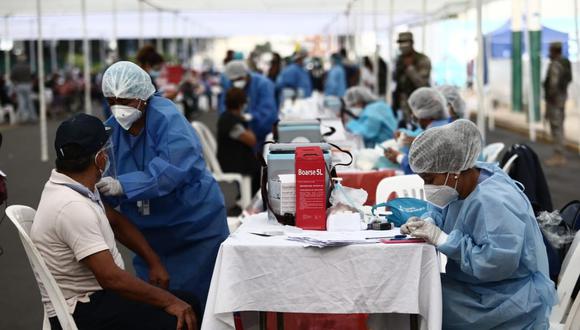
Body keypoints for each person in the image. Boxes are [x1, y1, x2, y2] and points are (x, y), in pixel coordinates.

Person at [31, 113, 200, 330]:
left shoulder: (75, 187)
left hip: (98, 298)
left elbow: (116, 222)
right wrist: (170, 301)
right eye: (105, 150)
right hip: (84, 310)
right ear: (99, 158)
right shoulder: (72, 207)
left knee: (188, 302)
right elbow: (111, 278)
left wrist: (153, 262)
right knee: (181, 315)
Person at [97, 61, 229, 311]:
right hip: (150, 236)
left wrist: (122, 185)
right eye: (111, 100)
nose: (118, 108)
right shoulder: (112, 130)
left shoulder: (167, 118)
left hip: (194, 225)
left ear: (144, 97)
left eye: (125, 101)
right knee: (157, 308)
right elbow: (105, 181)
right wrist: (105, 192)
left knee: (203, 302)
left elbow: (172, 169)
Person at [400, 119, 556, 329]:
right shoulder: (465, 180)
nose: (426, 186)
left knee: (411, 300)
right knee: (410, 290)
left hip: (507, 301)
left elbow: (496, 264)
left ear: (453, 169)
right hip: (478, 287)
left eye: (429, 178)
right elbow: (443, 210)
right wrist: (428, 222)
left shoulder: (494, 201)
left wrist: (442, 238)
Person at [385, 87, 449, 174]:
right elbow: (417, 134)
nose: (413, 116)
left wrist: (399, 157)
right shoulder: (442, 125)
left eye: (414, 112)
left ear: (425, 113)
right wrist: (406, 136)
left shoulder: (434, 133)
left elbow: (423, 170)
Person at [219, 60, 278, 149]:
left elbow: (268, 113)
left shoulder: (263, 84)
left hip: (262, 135)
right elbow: (224, 109)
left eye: (239, 79)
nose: (236, 82)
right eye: (233, 80)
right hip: (239, 137)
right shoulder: (229, 85)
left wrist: (250, 118)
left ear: (247, 74)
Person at [217, 88, 260, 194]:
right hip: (232, 162)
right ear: (241, 104)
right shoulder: (232, 122)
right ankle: (248, 200)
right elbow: (252, 140)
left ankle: (244, 197)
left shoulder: (226, 117)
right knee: (262, 170)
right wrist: (246, 122)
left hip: (229, 157)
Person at [392, 32, 431, 126]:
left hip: (419, 103)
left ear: (411, 43)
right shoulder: (399, 60)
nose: (402, 46)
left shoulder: (422, 59)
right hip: (403, 103)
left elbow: (422, 84)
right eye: (400, 43)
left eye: (405, 43)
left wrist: (410, 67)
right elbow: (395, 79)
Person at [543, 42, 572, 166]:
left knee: (556, 127)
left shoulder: (555, 64)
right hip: (562, 98)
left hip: (554, 101)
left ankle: (559, 155)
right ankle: (559, 154)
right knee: (559, 126)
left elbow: (553, 85)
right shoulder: (564, 63)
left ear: (554, 50)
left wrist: (550, 98)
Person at [11, 55, 37, 124]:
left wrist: (15, 83)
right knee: (30, 103)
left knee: (22, 103)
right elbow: (33, 75)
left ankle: (24, 118)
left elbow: (12, 77)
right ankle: (33, 118)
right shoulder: (28, 66)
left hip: (19, 85)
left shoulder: (15, 67)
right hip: (28, 85)